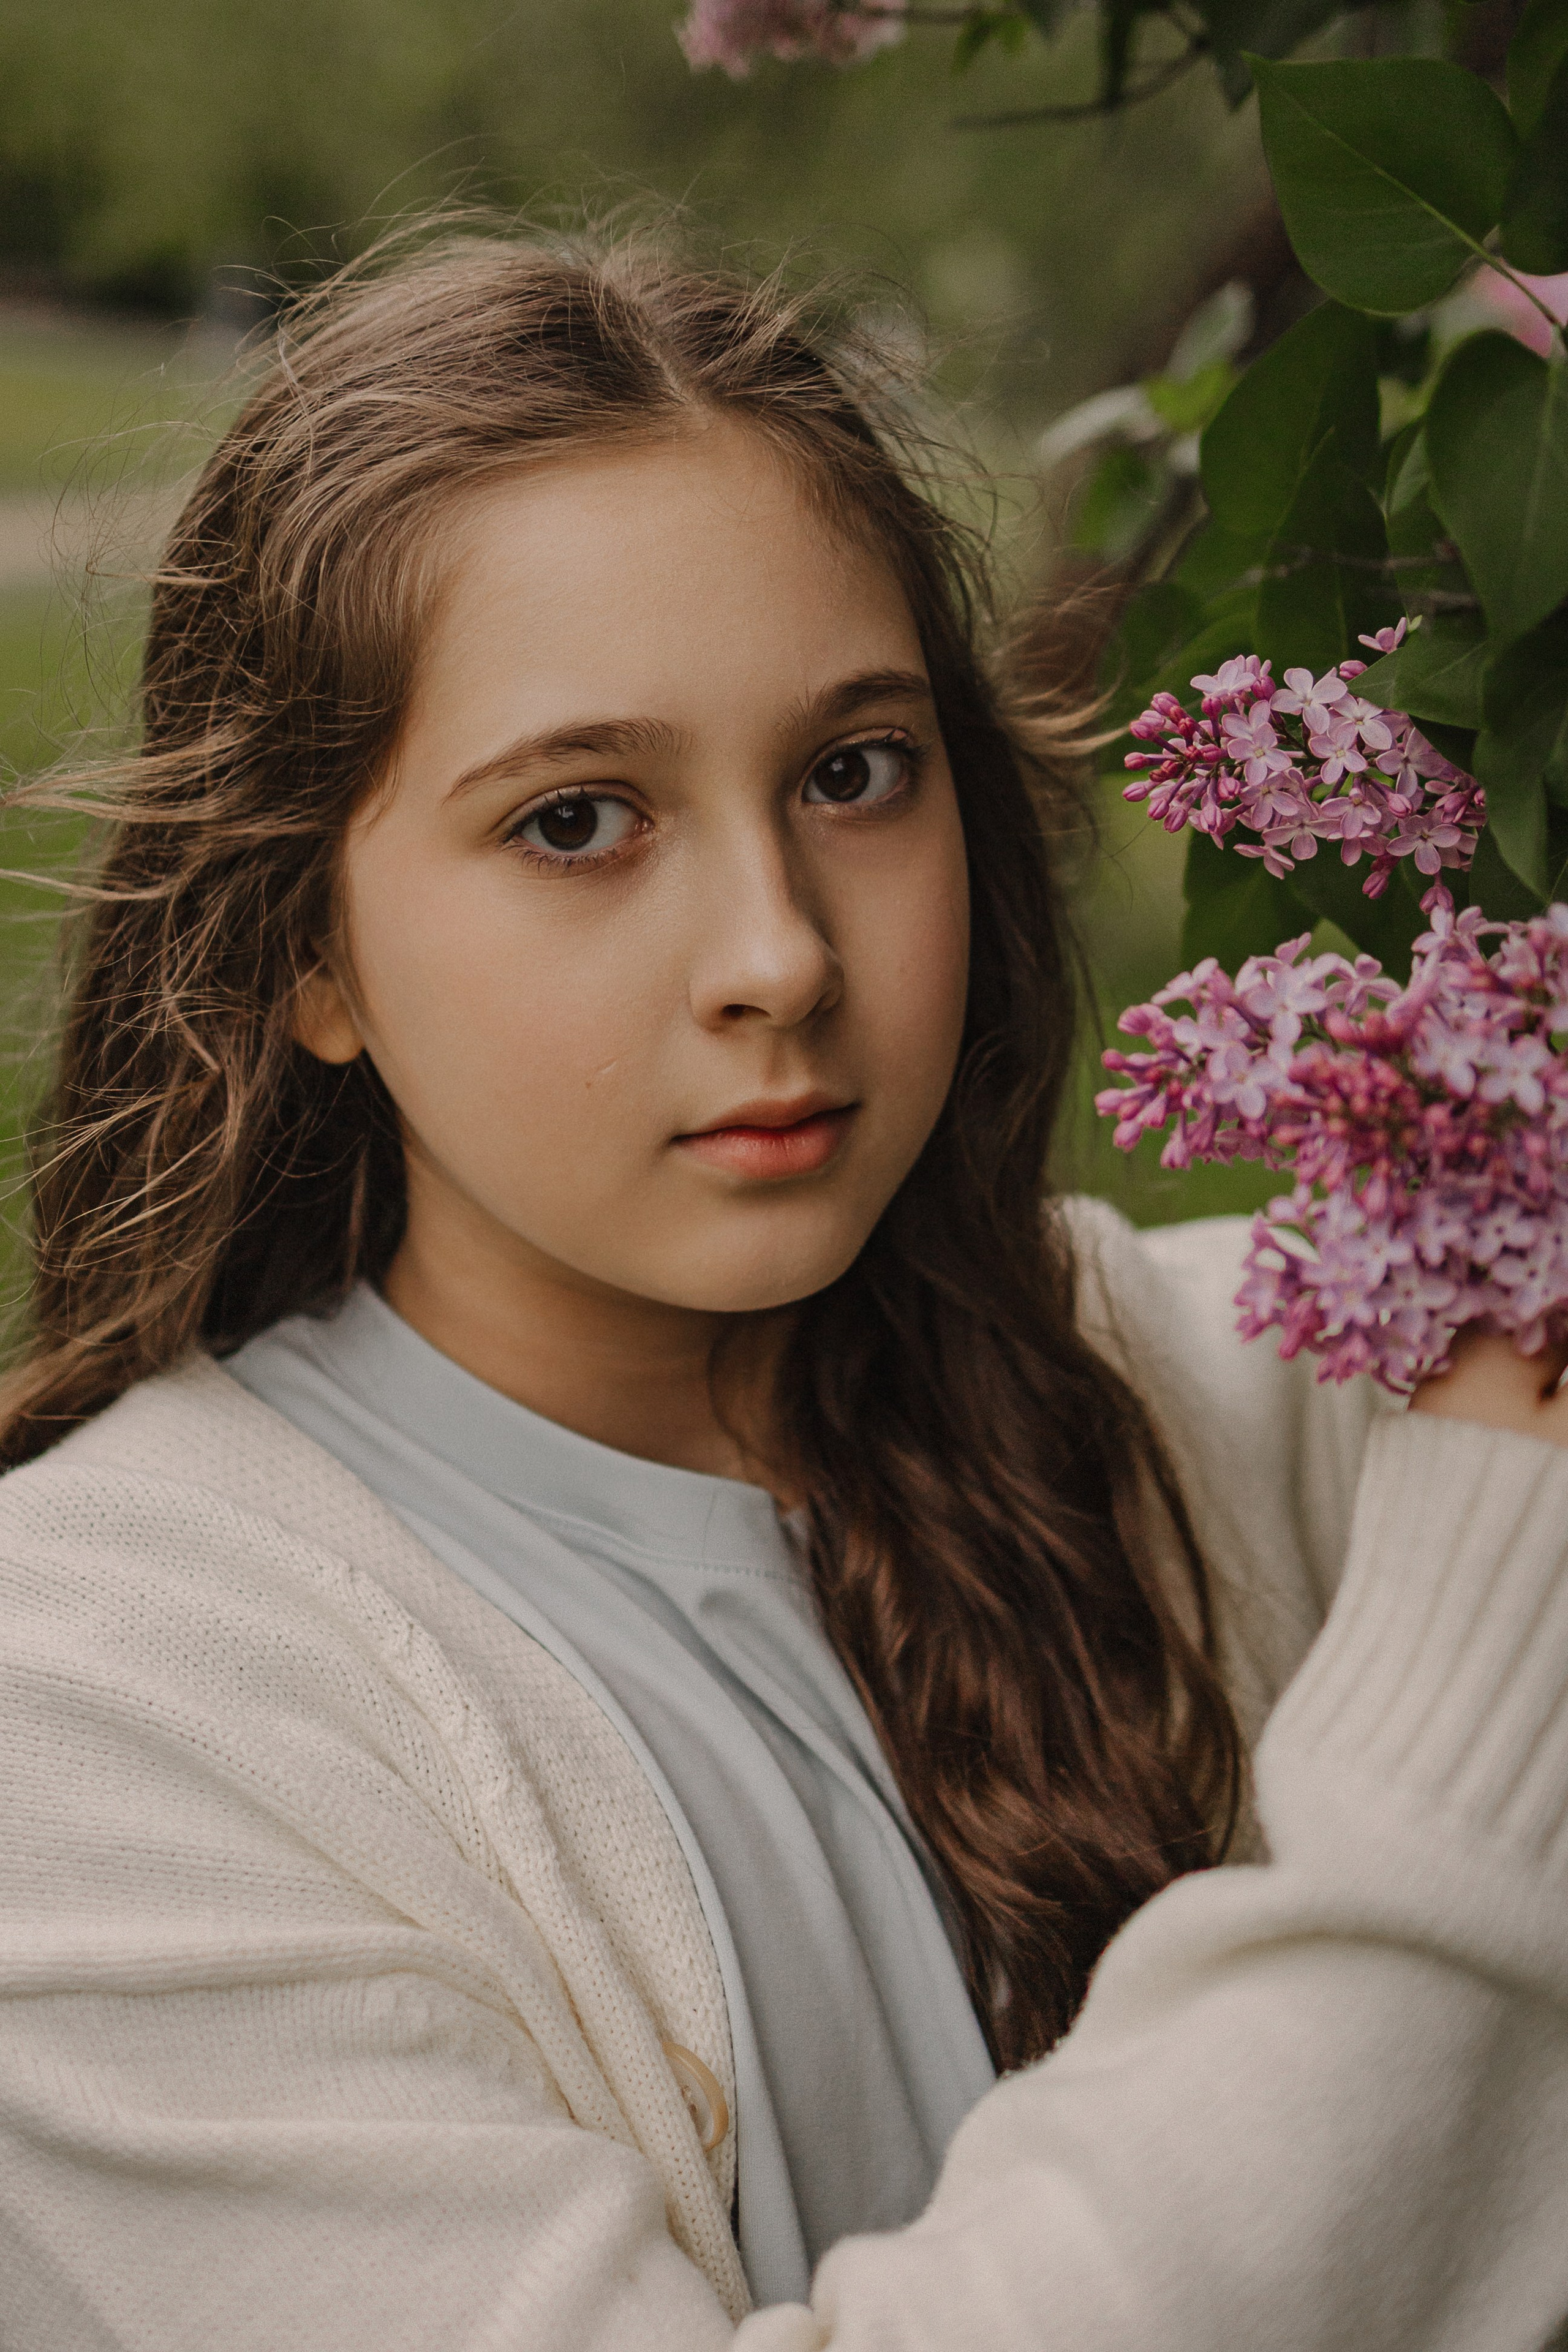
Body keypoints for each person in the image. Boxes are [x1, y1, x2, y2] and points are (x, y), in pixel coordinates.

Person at [0, 230, 1564, 2352]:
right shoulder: (98, 1709)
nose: (782, 953)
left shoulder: (1243, 1387)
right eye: (578, 820)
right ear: (307, 951)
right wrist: (1483, 1671)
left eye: (852, 772)